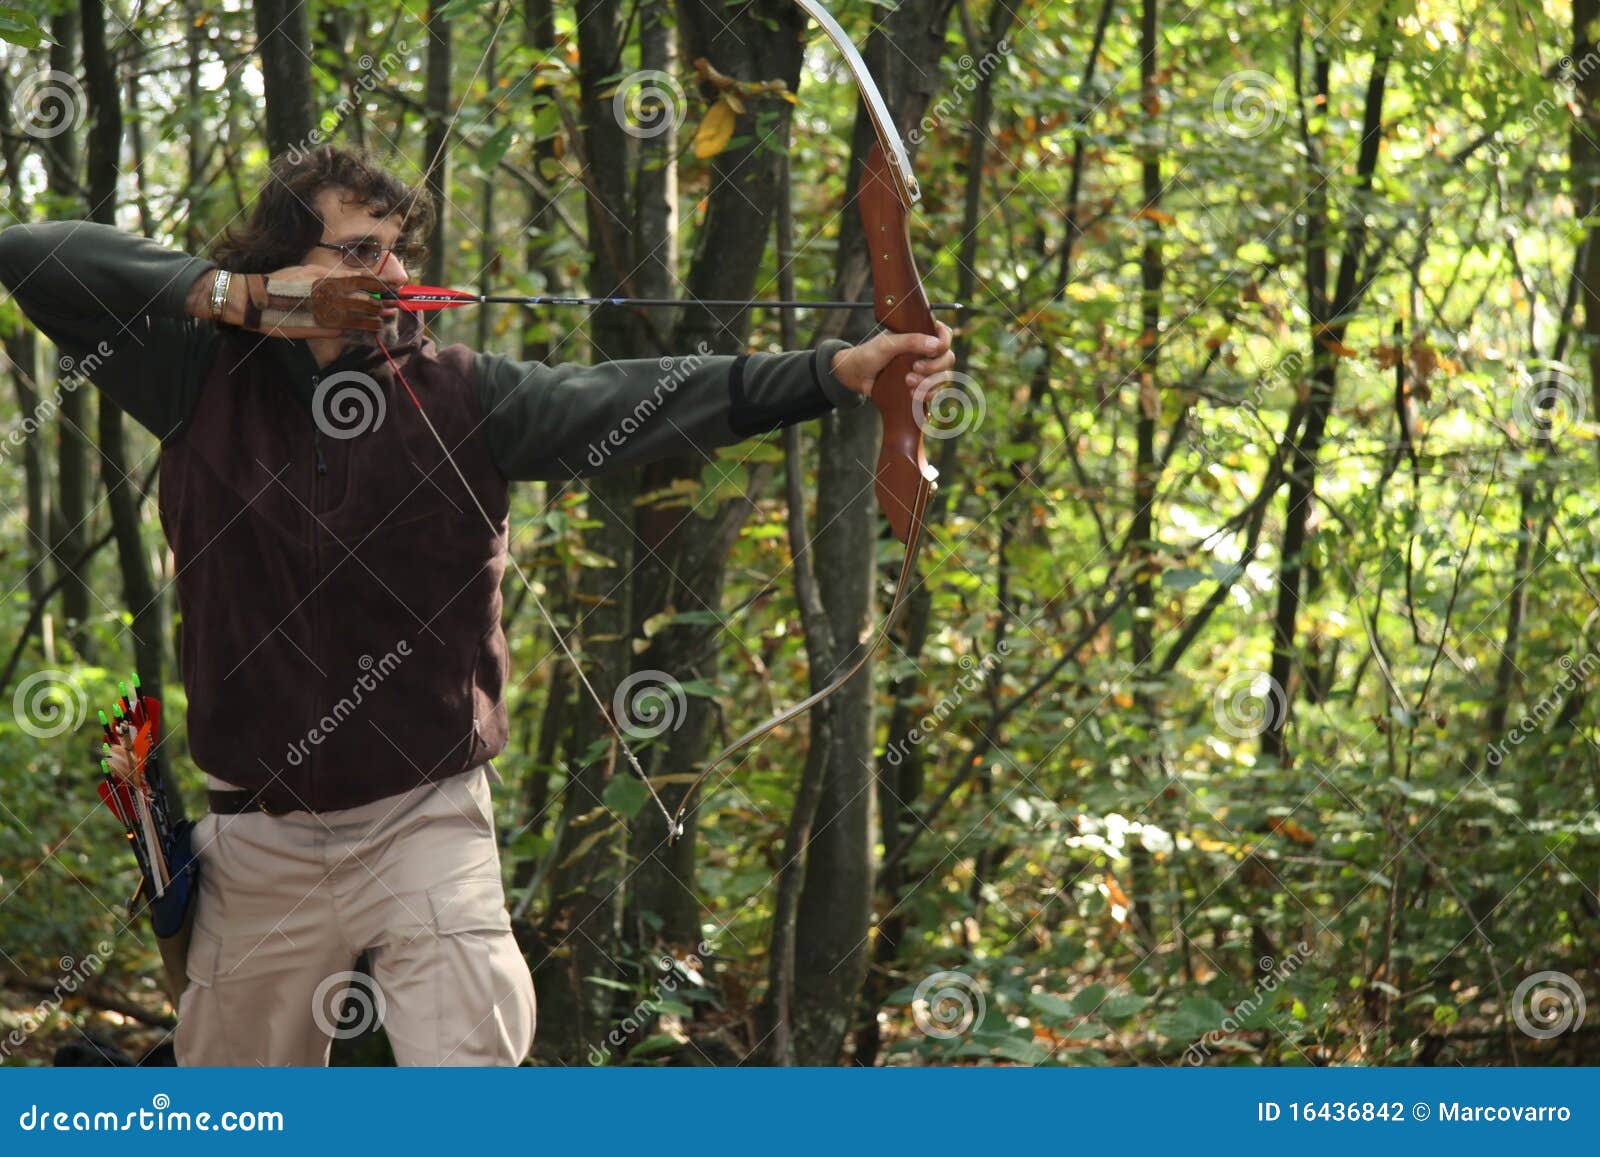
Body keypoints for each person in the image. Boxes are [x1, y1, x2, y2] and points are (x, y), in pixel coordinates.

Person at [0, 145, 954, 1066]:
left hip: (424, 821)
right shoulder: (197, 377)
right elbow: (31, 256)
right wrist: (235, 299)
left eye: (397, 250)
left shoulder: (464, 396)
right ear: (285, 260)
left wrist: (834, 372)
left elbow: (637, 398)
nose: (390, 272)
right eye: (360, 250)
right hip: (256, 838)